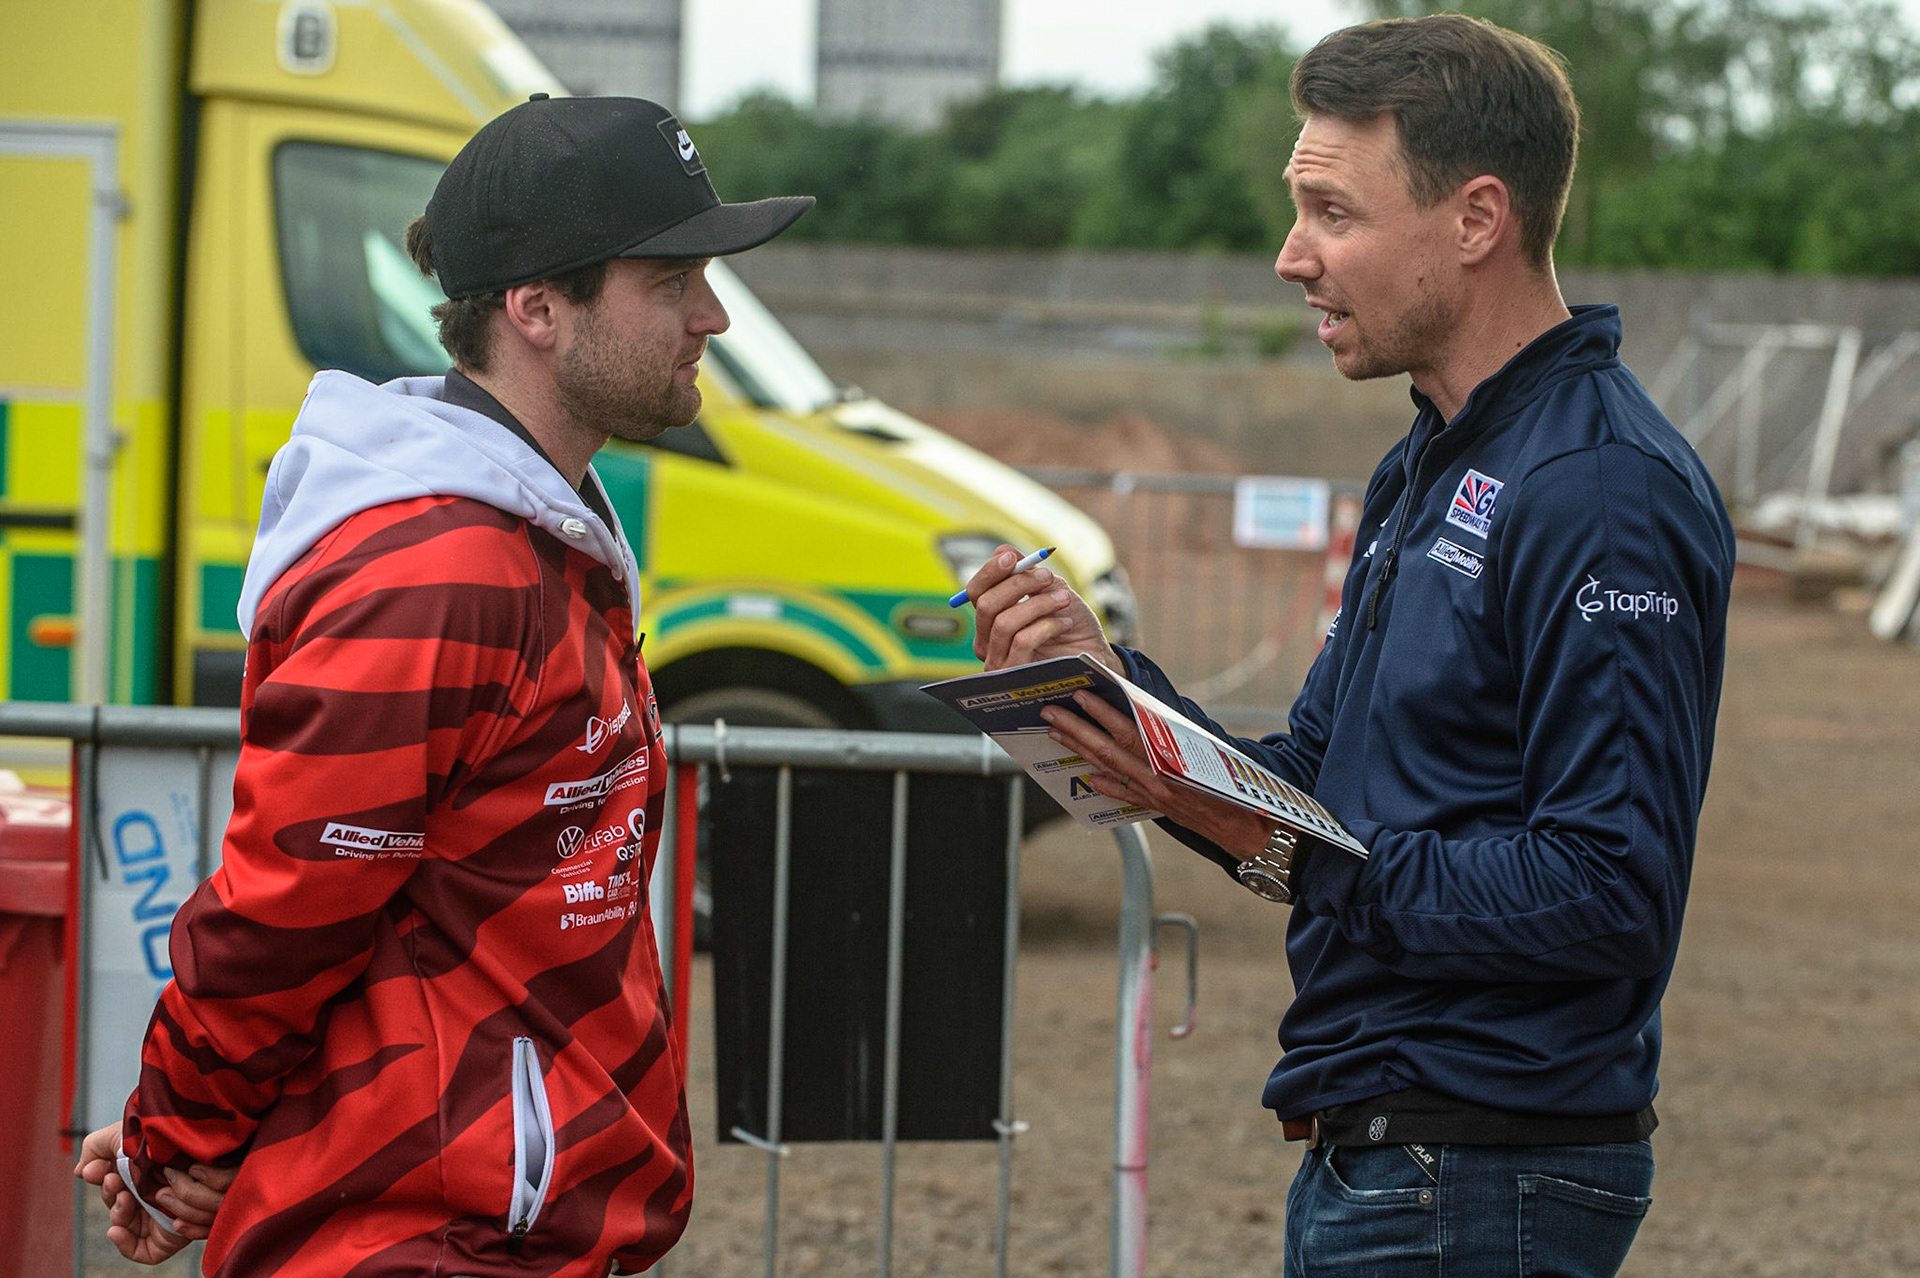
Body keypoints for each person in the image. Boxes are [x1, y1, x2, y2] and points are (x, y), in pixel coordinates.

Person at [966, 16, 1734, 1277]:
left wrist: (1295, 854)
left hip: (1481, 1166)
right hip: (1389, 1155)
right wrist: (1108, 689)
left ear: (1475, 219)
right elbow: (1316, 787)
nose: (1290, 257)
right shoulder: (1427, 463)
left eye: (1332, 211)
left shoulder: (1599, 489)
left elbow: (1607, 894)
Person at [73, 94, 812, 1275]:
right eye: (670, 283)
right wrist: (178, 1134)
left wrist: (193, 1132)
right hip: (430, 1234)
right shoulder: (442, 570)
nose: (711, 317)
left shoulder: (532, 530)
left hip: (501, 1214)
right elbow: (284, 912)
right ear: (537, 310)